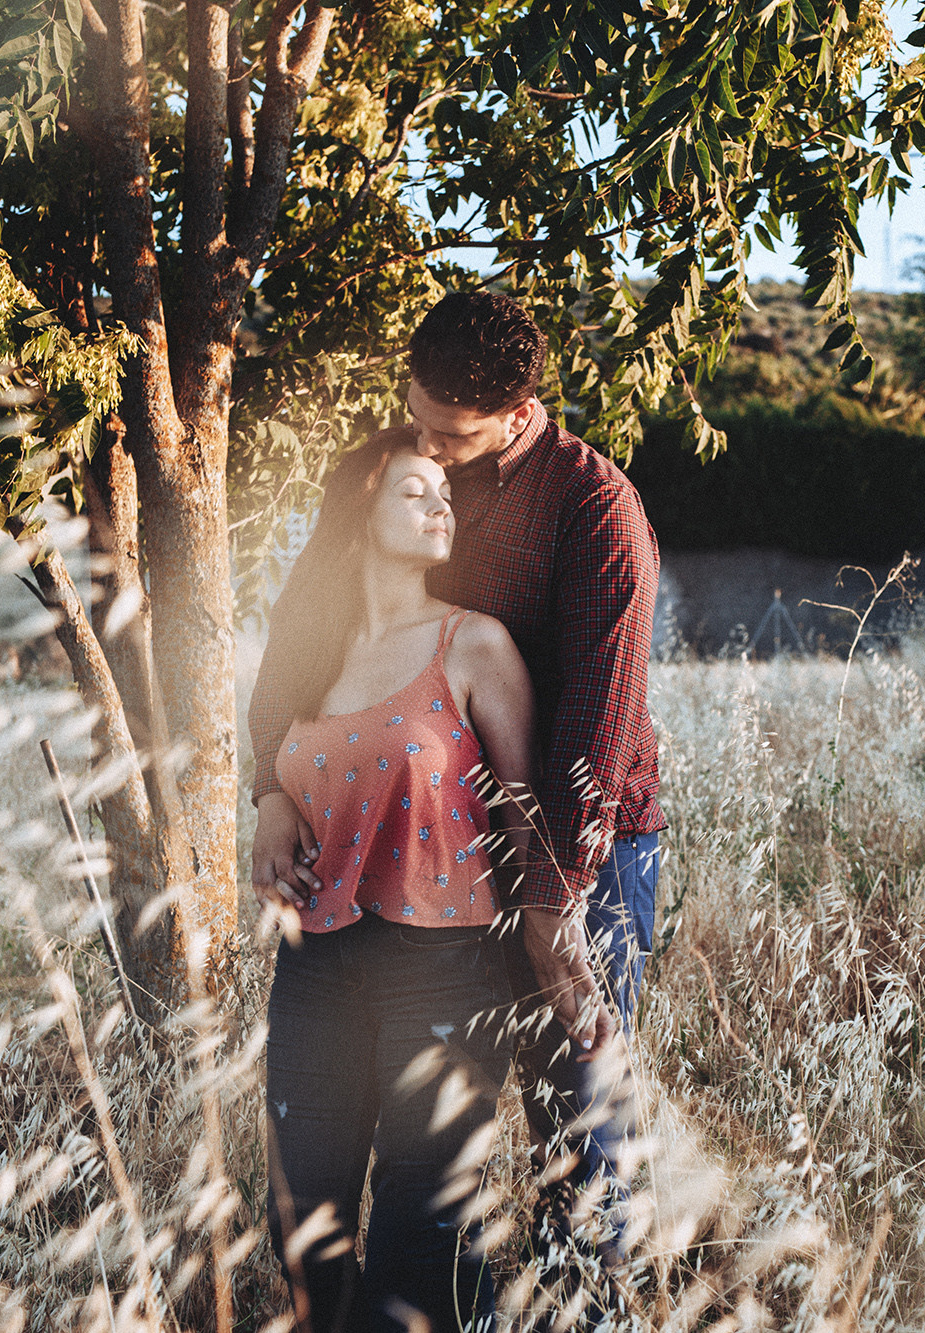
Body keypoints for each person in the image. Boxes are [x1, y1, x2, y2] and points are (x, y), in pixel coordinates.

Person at [249, 290, 667, 1266]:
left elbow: (596, 719)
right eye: (418, 418)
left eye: (452, 435)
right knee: (431, 1123)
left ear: (518, 415)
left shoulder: (593, 506)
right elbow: (298, 634)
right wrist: (268, 788)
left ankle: (581, 1309)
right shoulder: (386, 473)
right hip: (424, 847)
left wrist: (553, 895)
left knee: (576, 1103)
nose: (428, 449)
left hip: (581, 836)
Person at [247, 428, 540, 1333]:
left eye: (444, 491)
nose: (441, 505)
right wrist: (268, 800)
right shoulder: (307, 655)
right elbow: (274, 755)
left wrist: (550, 948)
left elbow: (527, 817)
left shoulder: (473, 645)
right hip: (316, 962)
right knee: (307, 1220)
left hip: (445, 965)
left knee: (425, 1224)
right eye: (416, 491)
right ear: (358, 513)